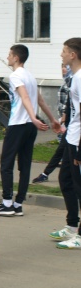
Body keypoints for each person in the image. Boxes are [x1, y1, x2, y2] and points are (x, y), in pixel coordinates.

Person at [0, 45, 60, 217]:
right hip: (30, 127)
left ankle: (7, 203)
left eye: (9, 54)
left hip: (18, 124)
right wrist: (52, 120)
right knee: (25, 165)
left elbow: (24, 97)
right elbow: (40, 100)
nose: (7, 57)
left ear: (16, 58)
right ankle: (18, 204)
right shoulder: (30, 76)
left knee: (6, 164)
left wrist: (34, 117)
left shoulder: (15, 75)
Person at [55, 38, 81, 249]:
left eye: (64, 51)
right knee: (65, 180)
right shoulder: (75, 76)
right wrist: (65, 118)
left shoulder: (80, 77)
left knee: (79, 187)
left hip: (78, 140)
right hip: (71, 136)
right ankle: (72, 226)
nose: (61, 55)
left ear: (73, 55)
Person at [33, 64, 72, 183]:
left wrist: (64, 119)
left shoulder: (73, 81)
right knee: (61, 151)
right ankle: (45, 174)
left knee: (64, 152)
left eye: (66, 67)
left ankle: (46, 174)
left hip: (72, 124)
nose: (63, 69)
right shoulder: (66, 82)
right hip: (67, 123)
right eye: (62, 67)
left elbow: (70, 104)